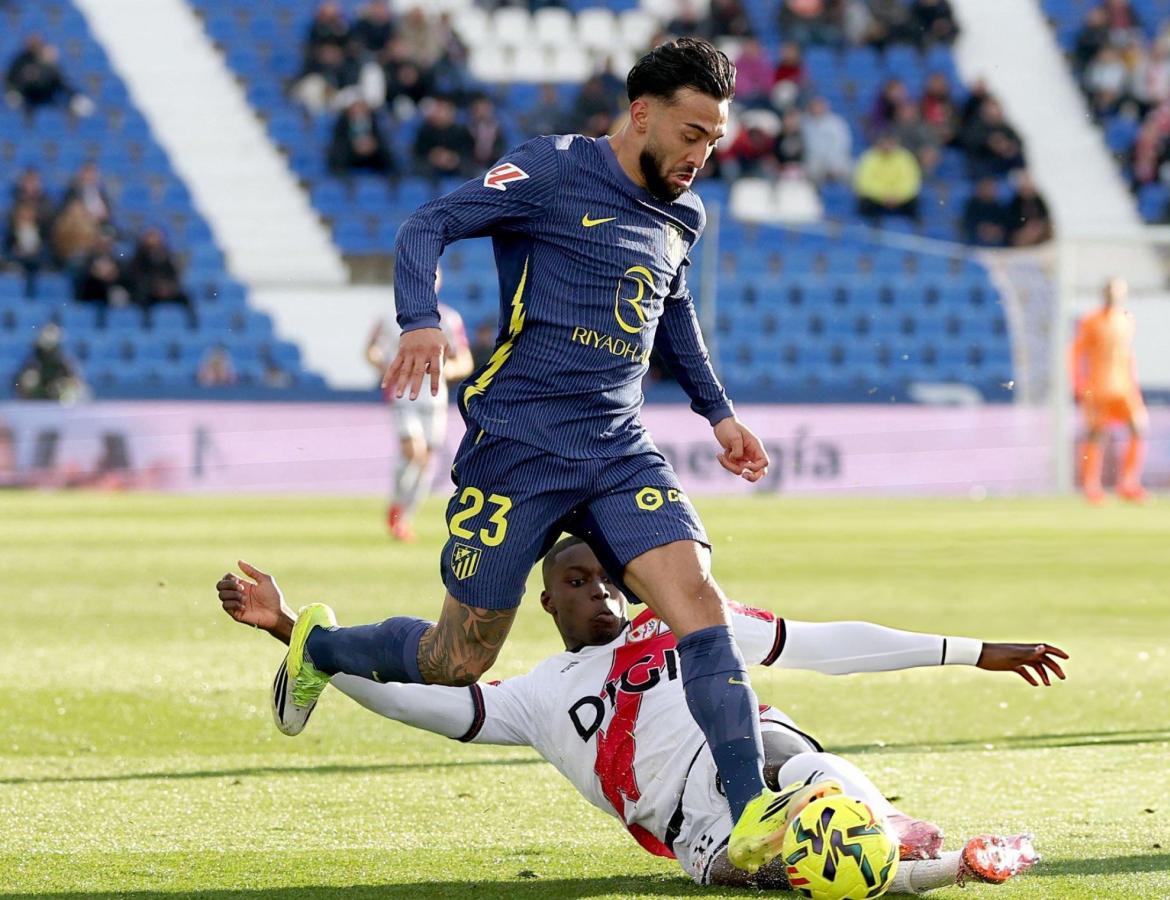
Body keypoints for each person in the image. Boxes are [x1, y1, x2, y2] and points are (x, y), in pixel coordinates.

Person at [277, 38, 817, 875]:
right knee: (456, 659)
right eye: (689, 133)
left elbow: (671, 314)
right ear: (641, 114)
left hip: (616, 447)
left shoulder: (685, 215)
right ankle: (321, 646)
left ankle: (749, 809)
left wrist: (718, 413)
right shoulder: (551, 170)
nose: (700, 155)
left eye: (713, 139)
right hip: (519, 446)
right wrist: (420, 318)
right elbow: (429, 224)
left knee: (698, 604)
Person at [218, 537, 1059, 890]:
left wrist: (974, 649)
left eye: (608, 577)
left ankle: (885, 826)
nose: (600, 591)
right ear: (543, 600)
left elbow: (822, 643)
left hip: (757, 770)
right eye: (576, 582)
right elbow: (420, 704)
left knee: (794, 763)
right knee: (802, 877)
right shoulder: (541, 694)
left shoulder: (681, 623)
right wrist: (294, 633)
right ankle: (944, 865)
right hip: (693, 834)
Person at [365, 265, 474, 542]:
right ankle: (396, 509)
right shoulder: (391, 316)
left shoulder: (449, 319)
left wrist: (446, 370)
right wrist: (385, 366)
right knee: (413, 450)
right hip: (403, 392)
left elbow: (465, 360)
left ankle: (404, 515)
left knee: (425, 461)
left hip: (434, 396)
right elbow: (370, 349)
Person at [1071, 277, 1148, 504]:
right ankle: (1091, 487)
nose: (1112, 294)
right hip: (1098, 386)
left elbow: (1127, 355)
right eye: (1109, 290)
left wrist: (1134, 383)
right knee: (1096, 434)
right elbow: (1076, 353)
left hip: (1124, 386)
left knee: (1139, 427)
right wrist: (1078, 384)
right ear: (1103, 293)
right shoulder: (1090, 320)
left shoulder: (1127, 319)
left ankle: (1128, 483)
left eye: (1117, 291)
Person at [853, 132, 922, 221]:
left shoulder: (905, 157)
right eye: (884, 143)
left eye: (890, 143)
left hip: (900, 199)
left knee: (914, 204)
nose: (887, 146)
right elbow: (863, 183)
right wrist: (883, 196)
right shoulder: (869, 157)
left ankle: (915, 231)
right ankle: (869, 231)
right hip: (876, 200)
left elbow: (912, 182)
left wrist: (897, 196)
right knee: (865, 203)